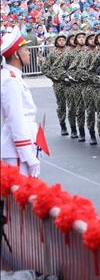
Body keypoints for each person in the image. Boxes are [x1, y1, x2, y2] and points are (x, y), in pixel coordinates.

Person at [1, 29, 41, 177]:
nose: (29, 53)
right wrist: (29, 157)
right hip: (17, 152)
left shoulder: (12, 77)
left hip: (19, 149)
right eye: (25, 50)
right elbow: (15, 119)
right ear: (16, 55)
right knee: (21, 197)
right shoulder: (10, 80)